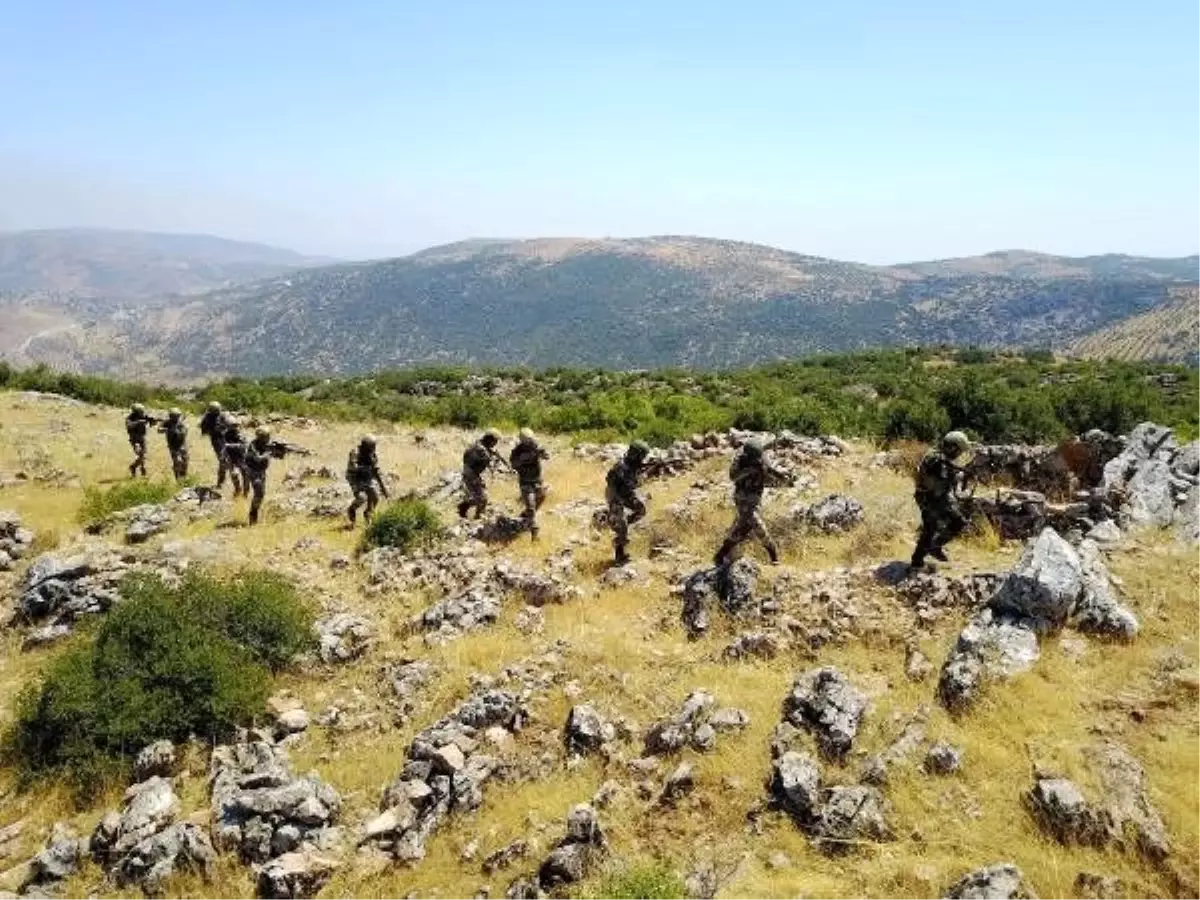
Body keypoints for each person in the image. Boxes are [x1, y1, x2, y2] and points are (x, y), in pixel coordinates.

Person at [713, 438, 790, 566]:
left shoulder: (763, 460)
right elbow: (733, 477)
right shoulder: (739, 460)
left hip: (755, 499)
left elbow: (770, 478)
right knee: (754, 522)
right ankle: (773, 553)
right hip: (741, 498)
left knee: (743, 527)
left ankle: (721, 554)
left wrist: (779, 477)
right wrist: (748, 470)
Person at [910, 430, 972, 569]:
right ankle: (920, 559)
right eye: (959, 450)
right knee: (950, 524)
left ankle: (929, 551)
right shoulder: (939, 461)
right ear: (953, 447)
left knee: (932, 529)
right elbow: (943, 482)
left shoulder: (935, 454)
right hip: (932, 498)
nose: (959, 454)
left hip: (928, 496)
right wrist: (959, 476)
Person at [605, 440, 650, 566]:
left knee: (641, 510)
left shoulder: (634, 466)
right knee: (622, 526)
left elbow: (635, 483)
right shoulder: (620, 466)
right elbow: (611, 482)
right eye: (641, 456)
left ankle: (617, 523)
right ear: (636, 454)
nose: (642, 459)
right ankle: (619, 555)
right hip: (615, 495)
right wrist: (618, 502)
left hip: (627, 493)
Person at [509, 428, 549, 538]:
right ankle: (534, 532)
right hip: (526, 482)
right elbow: (513, 465)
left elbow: (547, 456)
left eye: (531, 440)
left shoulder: (536, 445)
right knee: (531, 506)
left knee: (541, 498)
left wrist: (542, 452)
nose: (530, 442)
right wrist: (525, 458)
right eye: (527, 441)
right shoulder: (517, 451)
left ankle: (525, 517)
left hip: (537, 480)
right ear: (522, 441)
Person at [459, 429, 506, 519]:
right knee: (483, 498)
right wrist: (495, 460)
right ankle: (476, 515)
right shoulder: (482, 450)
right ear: (490, 440)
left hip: (470, 472)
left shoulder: (478, 443)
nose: (495, 443)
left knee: (480, 496)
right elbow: (489, 463)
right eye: (495, 441)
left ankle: (470, 509)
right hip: (471, 475)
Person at [347, 434, 388, 526]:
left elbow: (376, 472)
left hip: (367, 477)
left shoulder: (373, 455)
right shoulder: (355, 453)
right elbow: (353, 467)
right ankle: (352, 509)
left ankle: (368, 513)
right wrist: (366, 468)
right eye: (372, 447)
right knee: (362, 498)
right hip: (355, 478)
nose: (374, 449)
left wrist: (383, 489)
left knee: (375, 498)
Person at [219, 415, 248, 497]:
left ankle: (245, 494)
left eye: (235, 425)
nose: (234, 427)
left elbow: (244, 446)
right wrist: (223, 455)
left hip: (242, 457)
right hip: (231, 458)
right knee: (234, 475)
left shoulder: (241, 434)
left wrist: (230, 446)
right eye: (232, 426)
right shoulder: (225, 434)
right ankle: (237, 489)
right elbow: (224, 446)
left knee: (245, 476)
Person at [125, 403, 156, 477]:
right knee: (141, 455)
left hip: (142, 438)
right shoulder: (130, 418)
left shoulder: (143, 416)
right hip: (134, 439)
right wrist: (138, 422)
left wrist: (152, 421)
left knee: (143, 455)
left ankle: (137, 468)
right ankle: (137, 467)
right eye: (140, 411)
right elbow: (129, 425)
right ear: (135, 411)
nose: (142, 412)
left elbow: (152, 423)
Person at [160, 408, 189, 481]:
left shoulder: (181, 423)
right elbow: (159, 429)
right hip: (173, 447)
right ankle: (177, 478)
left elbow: (185, 432)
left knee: (185, 463)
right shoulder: (167, 422)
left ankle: (183, 478)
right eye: (175, 416)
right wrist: (167, 430)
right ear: (171, 416)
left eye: (178, 416)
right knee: (177, 462)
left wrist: (182, 430)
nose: (176, 418)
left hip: (182, 446)